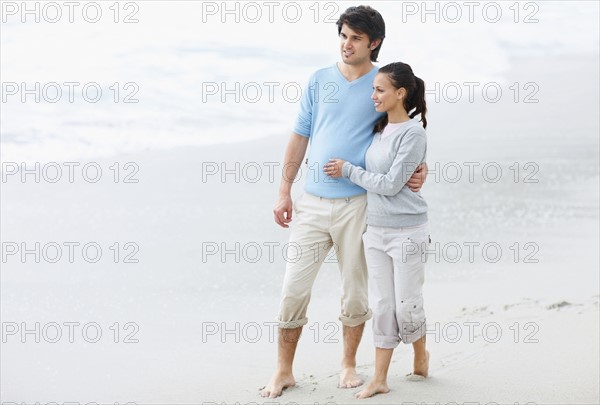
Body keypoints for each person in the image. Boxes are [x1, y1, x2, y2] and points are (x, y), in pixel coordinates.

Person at [261, 6, 428, 399]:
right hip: (312, 204)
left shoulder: (382, 84)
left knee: (355, 293)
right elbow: (300, 135)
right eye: (343, 35)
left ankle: (348, 365)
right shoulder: (319, 80)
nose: (346, 44)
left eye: (355, 38)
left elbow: (402, 134)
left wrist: (419, 169)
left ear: (375, 43)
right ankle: (283, 371)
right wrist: (284, 190)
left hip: (359, 205)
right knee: (292, 290)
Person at [323, 61, 430, 399]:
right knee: (383, 305)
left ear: (400, 93)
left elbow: (390, 183)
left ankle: (420, 354)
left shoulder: (413, 133)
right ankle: (380, 377)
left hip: (408, 230)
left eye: (380, 90)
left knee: (406, 305)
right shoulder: (379, 129)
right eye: (373, 89)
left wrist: (348, 171)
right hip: (376, 230)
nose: (373, 95)